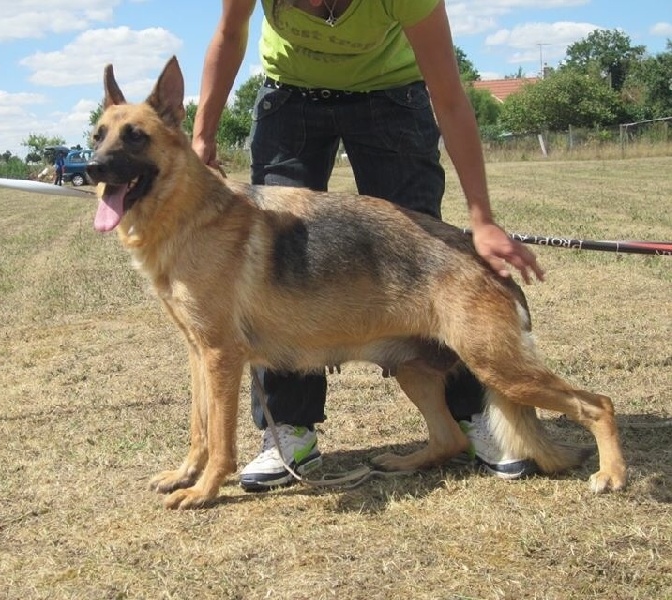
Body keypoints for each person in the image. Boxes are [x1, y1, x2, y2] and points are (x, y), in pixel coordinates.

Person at [192, 0, 545, 491]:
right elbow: (229, 37)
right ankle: (289, 431)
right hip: (290, 100)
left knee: (427, 260)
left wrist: (482, 219)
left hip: (391, 96)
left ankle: (473, 417)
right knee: (275, 265)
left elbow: (450, 99)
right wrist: (203, 135)